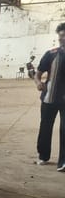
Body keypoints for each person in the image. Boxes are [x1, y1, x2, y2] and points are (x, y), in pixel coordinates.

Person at [34, 23, 65, 171]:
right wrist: (38, 83)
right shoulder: (51, 54)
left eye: (64, 36)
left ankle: (63, 162)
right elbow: (38, 73)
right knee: (45, 127)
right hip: (49, 98)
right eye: (60, 36)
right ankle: (43, 155)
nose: (62, 38)